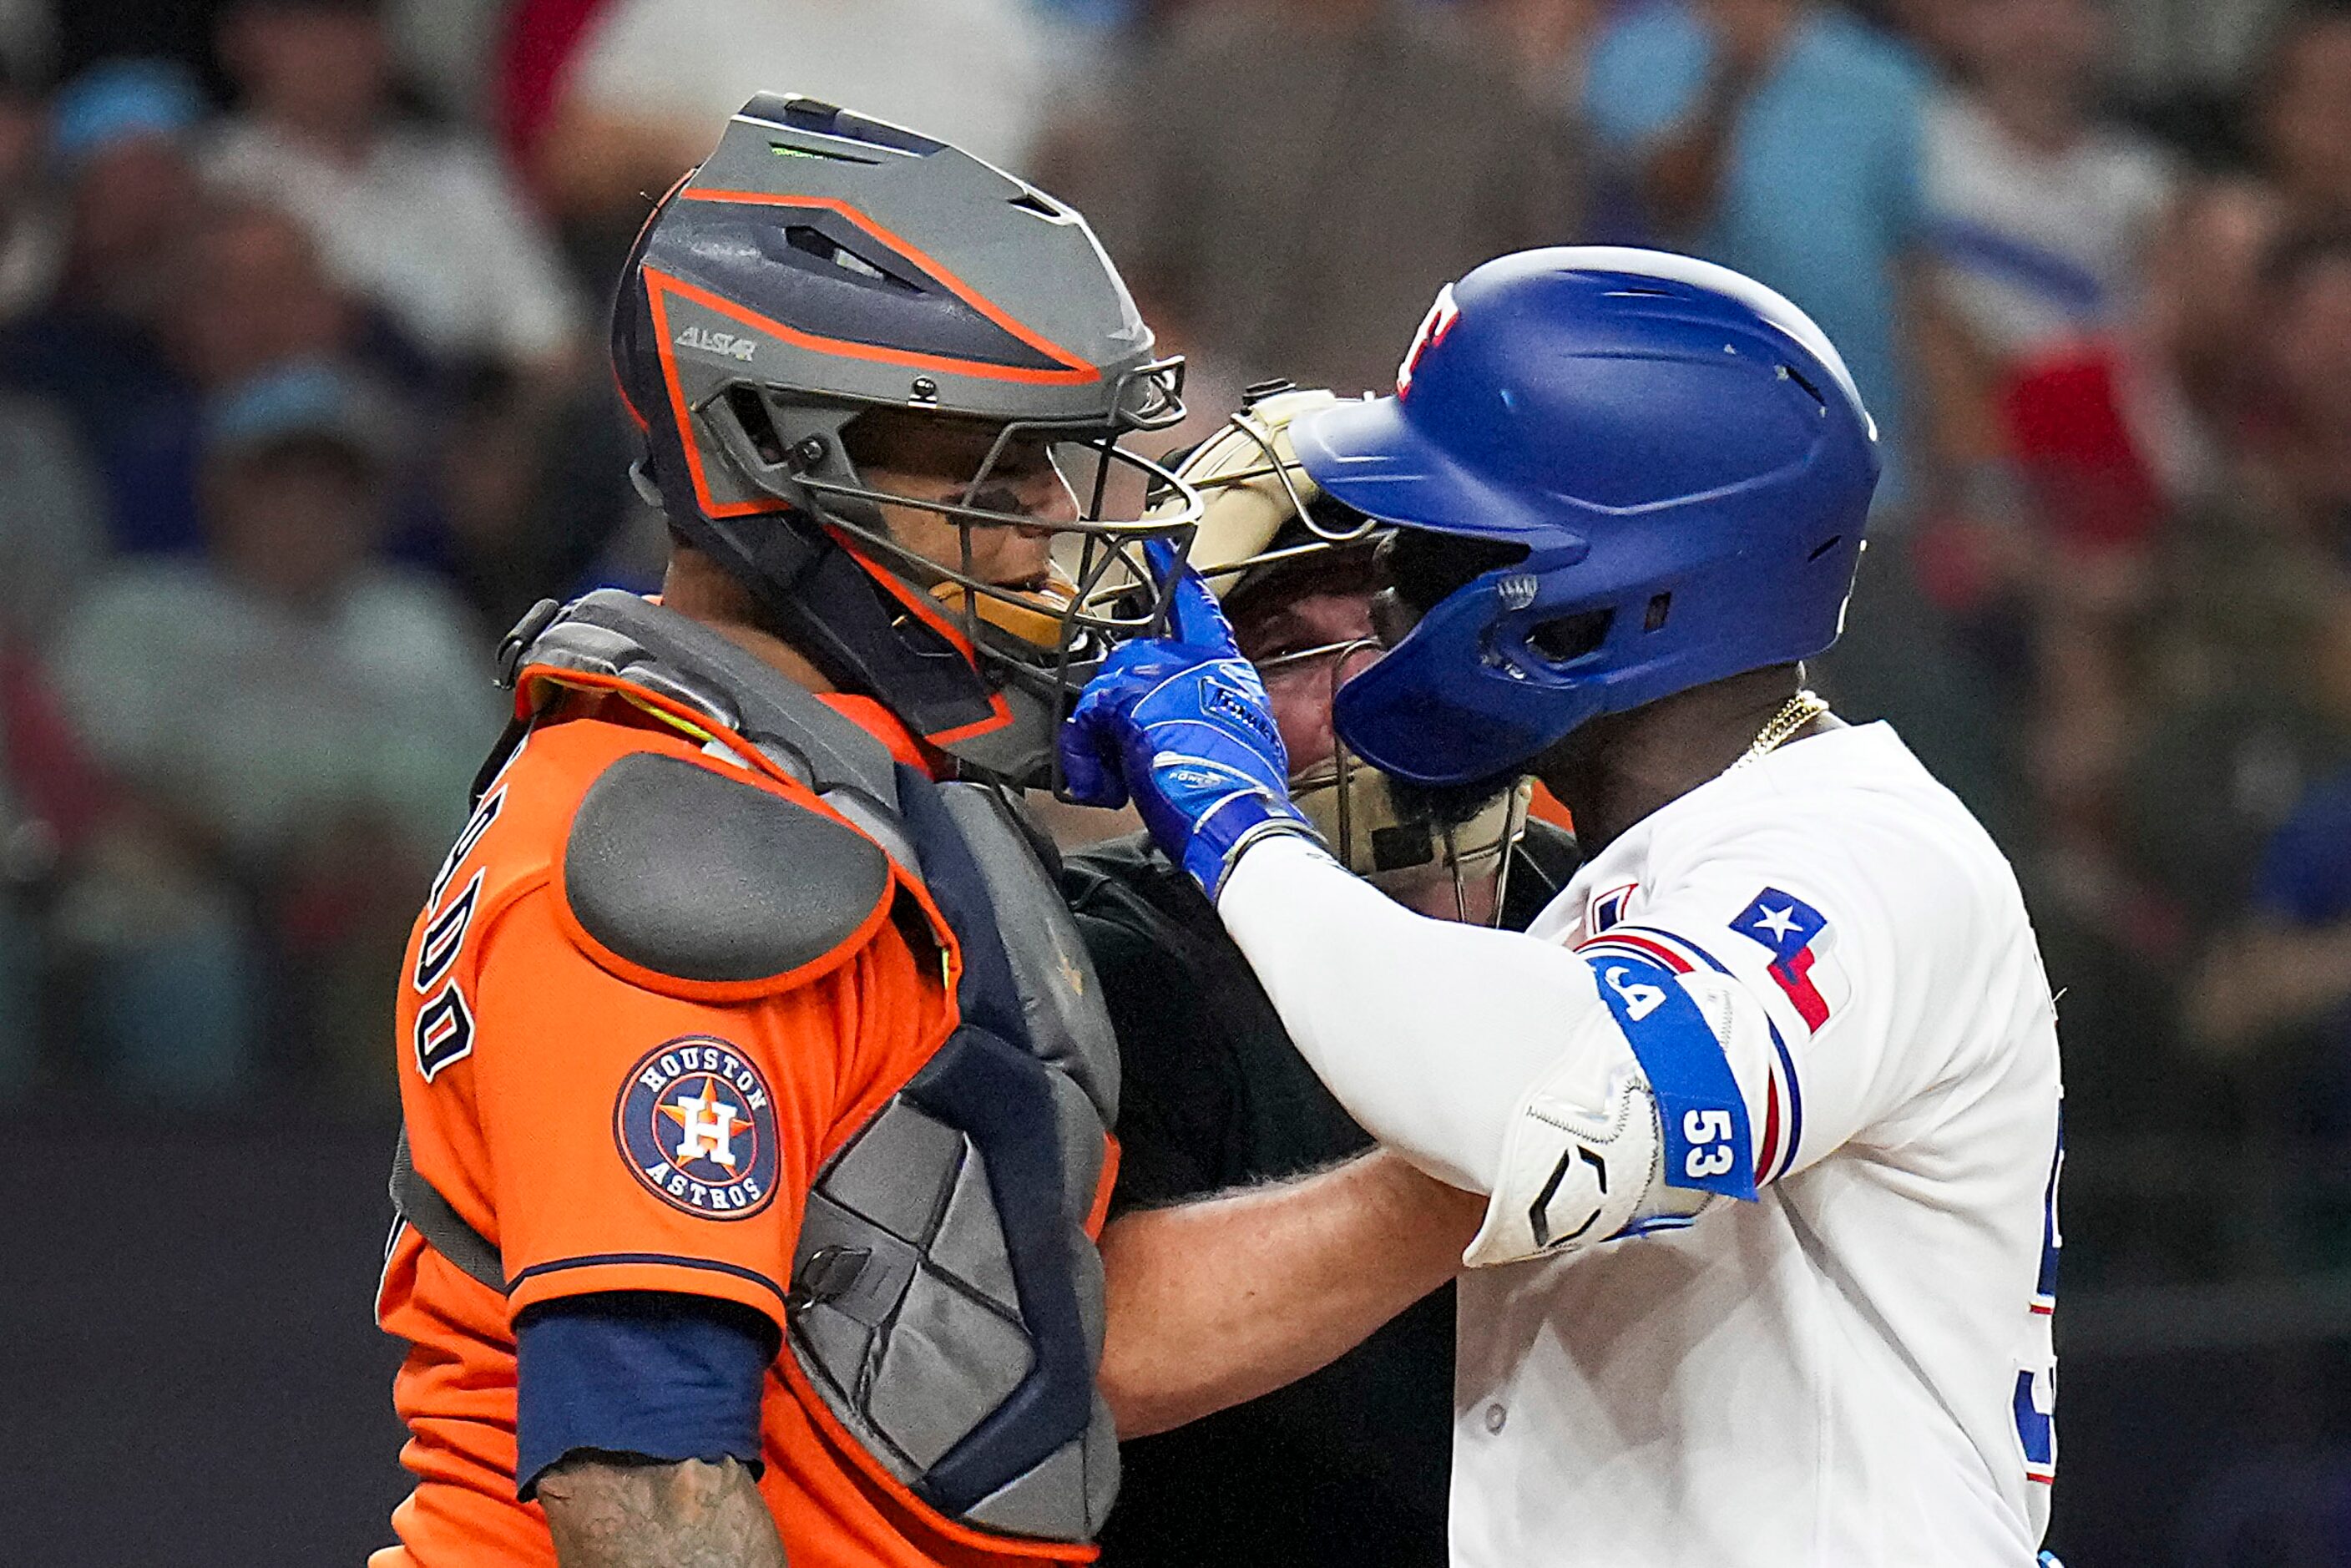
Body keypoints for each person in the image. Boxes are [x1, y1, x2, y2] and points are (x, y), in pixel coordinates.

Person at [1063, 248, 2065, 1564]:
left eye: (1448, 542)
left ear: (1631, 587)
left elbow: (1544, 1117)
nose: (1393, 598)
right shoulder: (1626, 880)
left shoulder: (1862, 860)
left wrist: (1242, 827)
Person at [371, 95, 1201, 1567]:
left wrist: (1482, 1155)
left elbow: (1021, 1330)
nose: (1049, 531)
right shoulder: (666, 861)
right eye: (997, 477)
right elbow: (640, 1486)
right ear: (775, 456)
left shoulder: (837, 785)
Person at [1062, 384, 1580, 1568]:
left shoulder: (1619, 896)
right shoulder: (1115, 957)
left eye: (1405, 623)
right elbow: (1106, 1350)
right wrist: (1547, 1147)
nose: (1368, 693)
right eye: (1291, 651)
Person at [206, 0, 583, 377]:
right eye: (300, 27)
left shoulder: (461, 173)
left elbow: (554, 343)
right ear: (241, 43)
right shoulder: (212, 177)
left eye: (351, 25)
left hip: (480, 407)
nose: (330, 48)